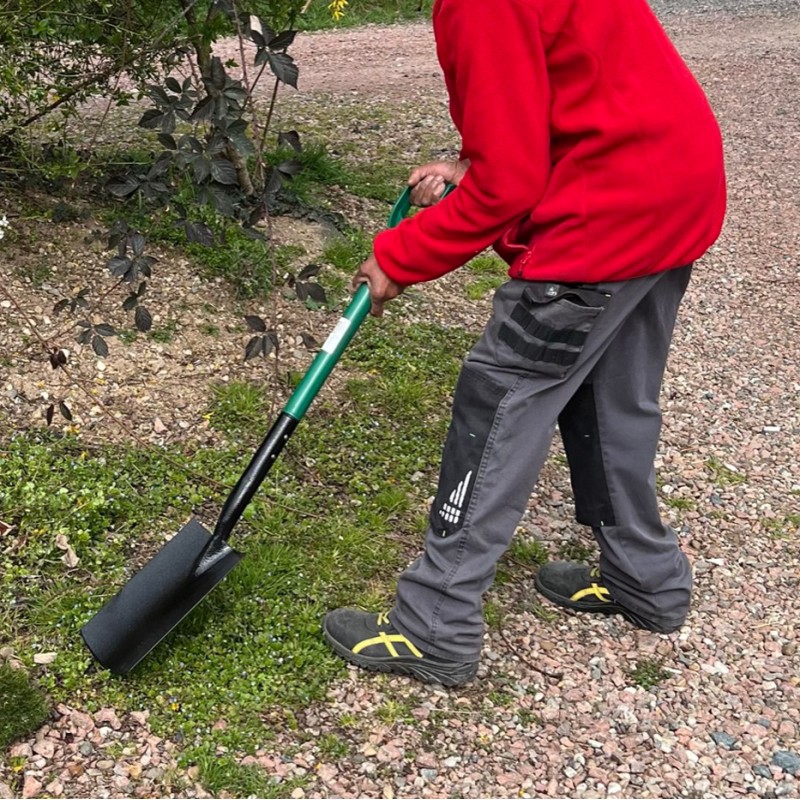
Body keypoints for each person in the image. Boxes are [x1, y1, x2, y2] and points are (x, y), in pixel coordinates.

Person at [323, 0, 726, 687]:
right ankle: (646, 578)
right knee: (608, 399)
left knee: (499, 399)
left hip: (612, 208)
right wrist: (472, 163)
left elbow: (510, 185)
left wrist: (402, 256)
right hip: (673, 184)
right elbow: (561, 94)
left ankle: (435, 625)